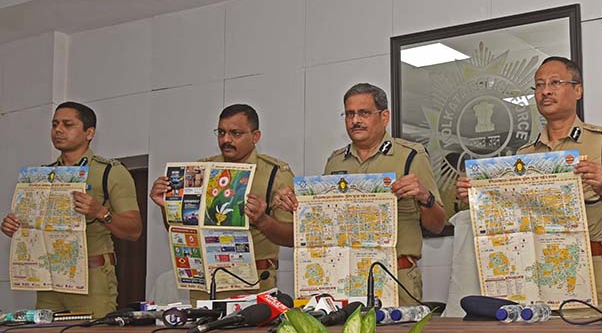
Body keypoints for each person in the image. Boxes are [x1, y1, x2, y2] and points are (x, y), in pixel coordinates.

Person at [457, 56, 602, 307]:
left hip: (583, 275)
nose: (545, 91)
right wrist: (477, 195)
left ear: (577, 90)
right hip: (527, 278)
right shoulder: (524, 155)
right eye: (539, 85)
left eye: (555, 82)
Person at [272, 83, 445, 306]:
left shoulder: (411, 156)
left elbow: (438, 225)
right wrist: (296, 205)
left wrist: (425, 197)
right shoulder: (335, 161)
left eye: (363, 113)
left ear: (384, 117)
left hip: (395, 278)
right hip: (341, 279)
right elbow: (325, 224)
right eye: (349, 114)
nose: (355, 120)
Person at [1, 102, 142, 317]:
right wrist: (14, 226)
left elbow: (134, 230)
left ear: (89, 132)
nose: (58, 130)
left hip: (91, 277)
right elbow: (32, 227)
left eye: (68, 124)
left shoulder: (110, 171)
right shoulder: (42, 176)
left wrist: (100, 212)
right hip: (48, 276)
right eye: (55, 124)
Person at [150, 104, 294, 301]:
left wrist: (262, 220)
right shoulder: (201, 170)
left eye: (235, 133)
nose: (226, 140)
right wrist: (166, 206)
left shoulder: (275, 174)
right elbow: (180, 230)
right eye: (221, 132)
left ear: (255, 136)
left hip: (254, 285)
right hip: (207, 285)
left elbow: (292, 236)